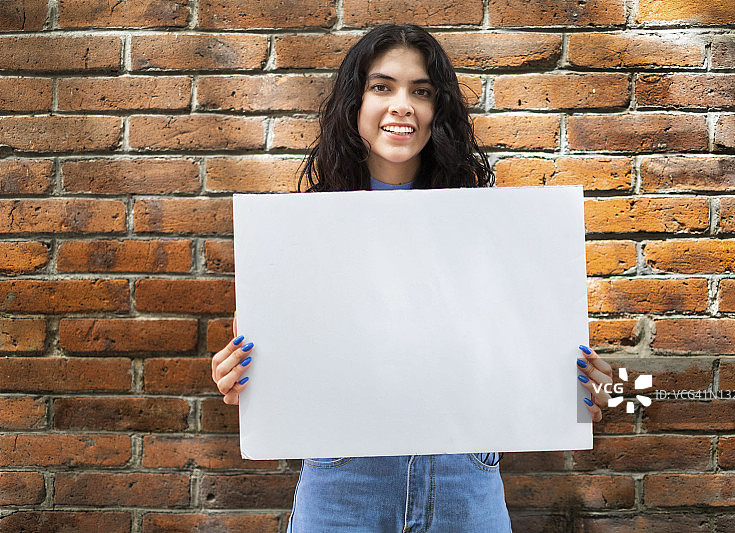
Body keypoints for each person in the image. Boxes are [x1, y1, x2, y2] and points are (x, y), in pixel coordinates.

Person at [211, 23, 614, 532]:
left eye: (420, 91)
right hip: (343, 487)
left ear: (437, 110)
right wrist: (237, 379)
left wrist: (592, 391)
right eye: (382, 87)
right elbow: (260, 358)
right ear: (354, 104)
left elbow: (528, 353)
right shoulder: (296, 235)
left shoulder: (492, 227)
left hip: (463, 480)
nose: (402, 105)